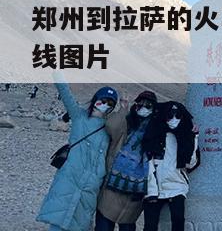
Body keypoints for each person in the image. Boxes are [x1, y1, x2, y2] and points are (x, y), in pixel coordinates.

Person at [37, 73, 119, 231]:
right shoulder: (78, 116)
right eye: (103, 100)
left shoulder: (109, 128)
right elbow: (66, 94)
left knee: (79, 223)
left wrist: (125, 108)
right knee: (59, 217)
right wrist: (57, 74)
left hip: (91, 183)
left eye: (110, 103)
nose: (105, 105)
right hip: (70, 176)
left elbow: (123, 127)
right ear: (96, 99)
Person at [95, 91, 158, 231]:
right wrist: (123, 109)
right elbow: (111, 126)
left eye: (148, 106)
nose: (143, 108)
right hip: (112, 185)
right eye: (140, 104)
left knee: (127, 225)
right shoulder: (128, 122)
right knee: (103, 225)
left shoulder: (155, 131)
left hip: (134, 194)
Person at [141, 101, 200, 231]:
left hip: (176, 185)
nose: (174, 119)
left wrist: (194, 138)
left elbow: (191, 163)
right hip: (154, 187)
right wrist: (151, 189)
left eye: (177, 116)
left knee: (178, 221)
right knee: (150, 226)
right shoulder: (154, 135)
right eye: (170, 116)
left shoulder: (185, 136)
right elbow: (147, 162)